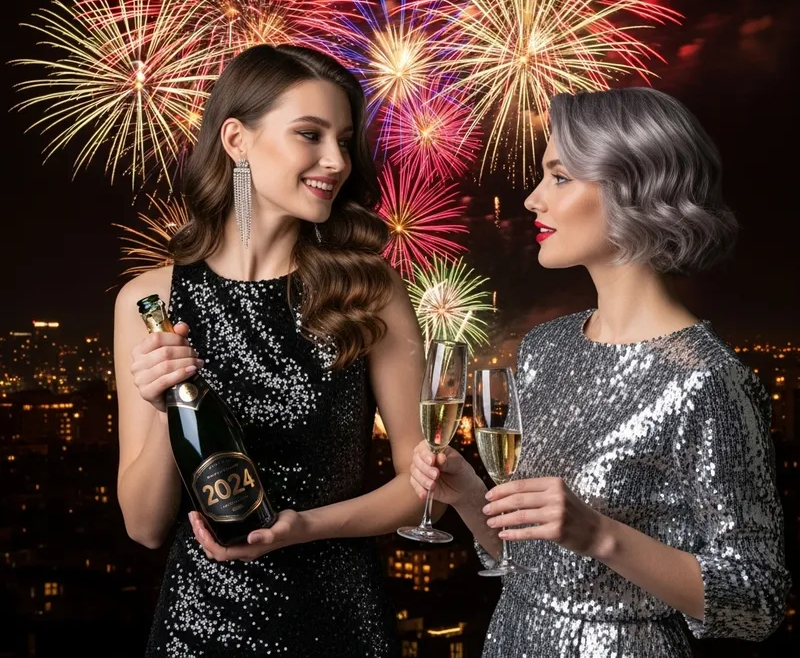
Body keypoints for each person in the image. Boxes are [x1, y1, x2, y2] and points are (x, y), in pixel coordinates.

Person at [409, 87, 791, 656]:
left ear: (637, 190)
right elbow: (527, 563)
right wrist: (468, 496)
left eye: (560, 177)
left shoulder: (711, 381)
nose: (534, 199)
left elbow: (757, 602)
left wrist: (600, 534)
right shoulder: (545, 348)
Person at [113, 44, 428, 657]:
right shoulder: (148, 301)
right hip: (197, 632)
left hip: (341, 624)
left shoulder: (368, 288)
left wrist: (304, 528)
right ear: (237, 140)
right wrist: (161, 406)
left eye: (343, 140)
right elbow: (145, 527)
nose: (335, 161)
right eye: (309, 134)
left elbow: (427, 490)